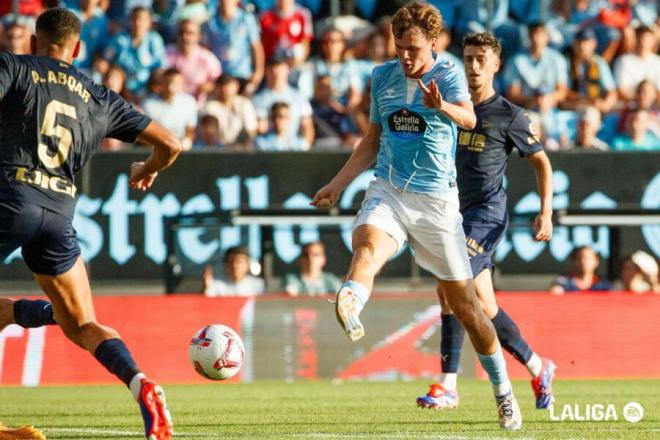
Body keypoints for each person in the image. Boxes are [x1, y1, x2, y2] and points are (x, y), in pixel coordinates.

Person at [311, 2, 522, 430]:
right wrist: (337, 183)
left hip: (437, 205)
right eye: (399, 46)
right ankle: (352, 298)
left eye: (414, 49)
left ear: (433, 44)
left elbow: (468, 118)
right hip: (388, 189)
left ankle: (503, 392)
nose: (405, 56)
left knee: (467, 308)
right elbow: (372, 140)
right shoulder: (382, 77)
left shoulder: (447, 74)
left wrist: (441, 106)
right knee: (368, 245)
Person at [0, 8, 181, 440]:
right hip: (59, 212)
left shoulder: (14, 66)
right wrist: (147, 166)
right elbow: (172, 144)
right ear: (77, 49)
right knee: (81, 323)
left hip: (9, 198)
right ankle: (142, 384)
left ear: (33, 42)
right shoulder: (98, 95)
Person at [415, 32, 556, 413]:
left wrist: (546, 210)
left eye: (481, 59)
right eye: (469, 58)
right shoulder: (449, 106)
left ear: (495, 64)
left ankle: (448, 384)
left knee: (450, 287)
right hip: (450, 213)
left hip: (485, 216)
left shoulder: (509, 115)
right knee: (484, 307)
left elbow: (541, 162)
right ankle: (539, 367)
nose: (474, 66)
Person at [203, 0, 265, 95]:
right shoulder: (211, 22)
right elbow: (207, 50)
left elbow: (256, 46)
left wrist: (258, 72)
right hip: (220, 75)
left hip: (242, 74)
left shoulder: (246, 19)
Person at [166, 19, 222, 102]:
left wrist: (209, 87)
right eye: (182, 33)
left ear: (199, 36)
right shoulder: (167, 52)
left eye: (190, 33)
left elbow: (219, 84)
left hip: (198, 106)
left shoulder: (207, 58)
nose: (185, 37)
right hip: (170, 104)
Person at [142, 68, 198, 150]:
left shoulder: (189, 102)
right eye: (167, 83)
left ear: (182, 84)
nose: (170, 88)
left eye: (175, 83)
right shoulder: (148, 103)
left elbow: (190, 129)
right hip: (155, 149)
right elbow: (145, 133)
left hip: (181, 148)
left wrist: (186, 142)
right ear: (162, 83)